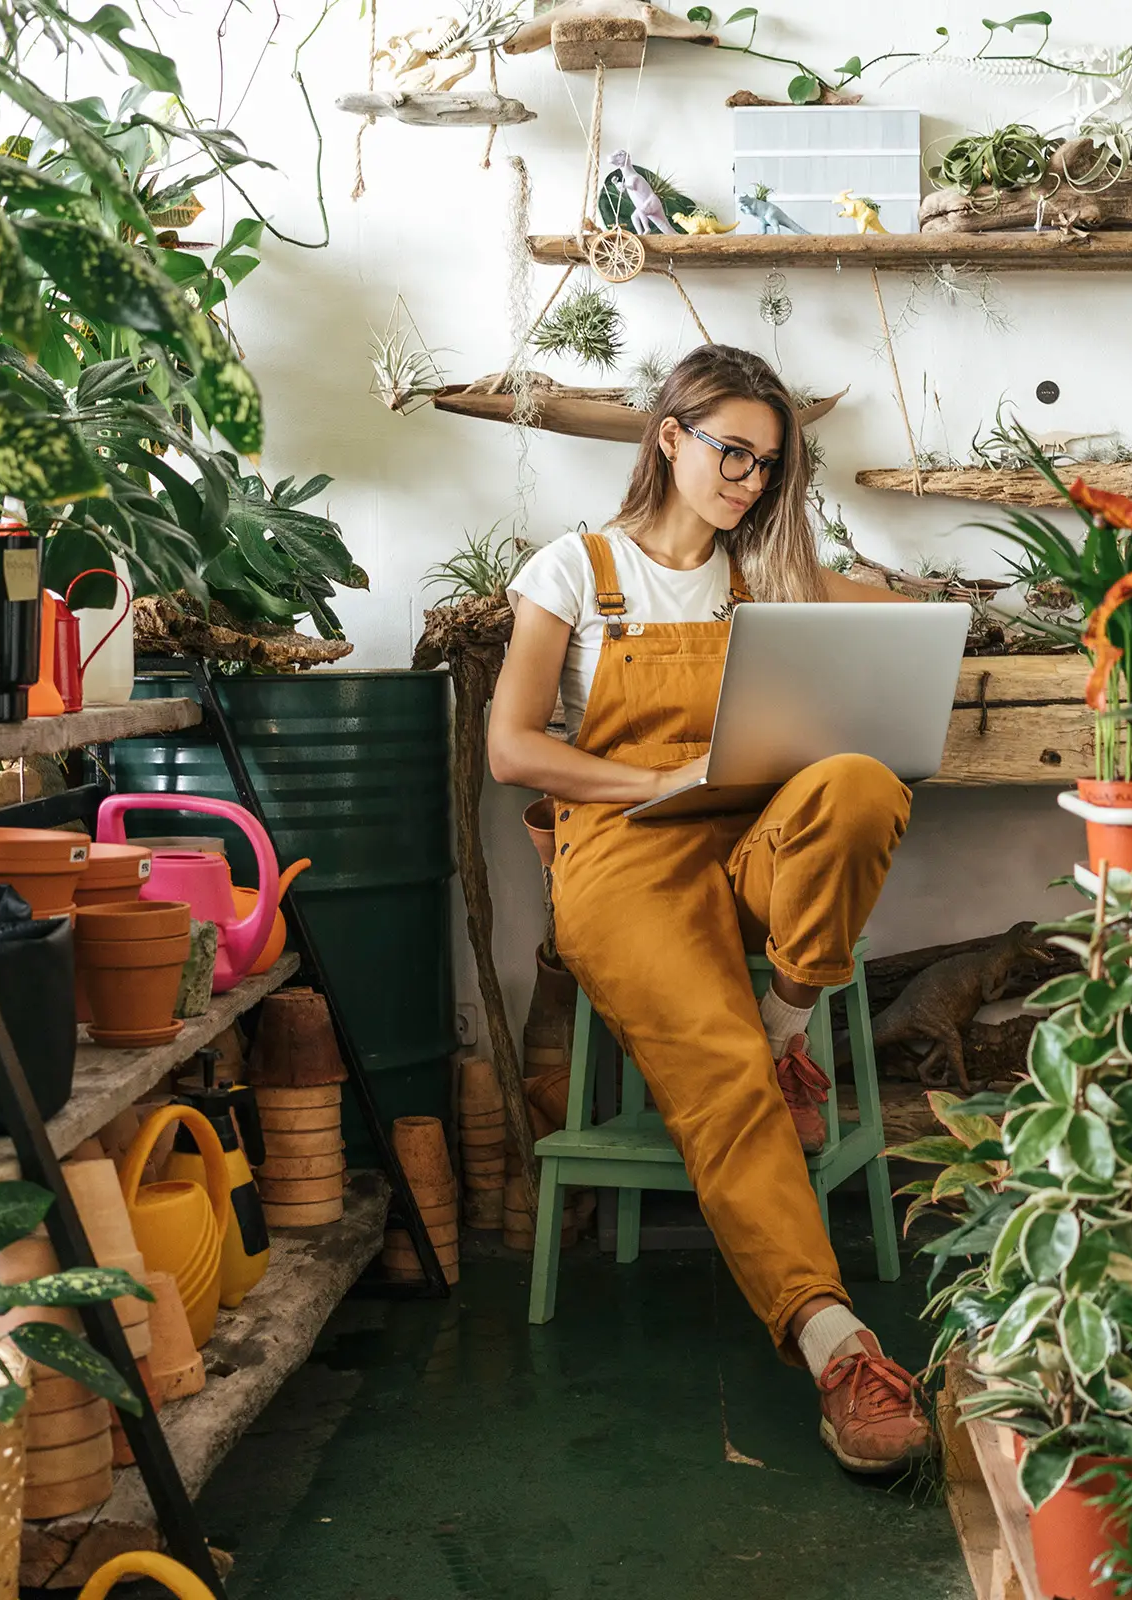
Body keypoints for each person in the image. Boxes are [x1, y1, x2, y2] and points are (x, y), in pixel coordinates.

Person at [489, 344, 931, 1474]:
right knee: (722, 1071)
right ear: (669, 435)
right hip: (622, 853)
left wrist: (933, 614)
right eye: (732, 451)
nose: (747, 478)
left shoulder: (761, 581)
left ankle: (791, 1020)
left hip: (746, 839)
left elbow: (889, 620)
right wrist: (652, 783)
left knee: (860, 783)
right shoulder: (572, 572)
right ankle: (834, 1343)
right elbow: (510, 749)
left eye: (768, 464)